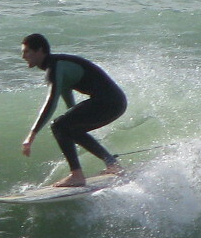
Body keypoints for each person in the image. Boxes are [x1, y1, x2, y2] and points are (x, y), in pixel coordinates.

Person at [20, 33, 127, 188]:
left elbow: (51, 102)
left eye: (26, 51)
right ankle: (113, 165)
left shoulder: (55, 67)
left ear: (40, 51)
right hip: (115, 102)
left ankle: (76, 175)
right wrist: (72, 123)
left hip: (109, 102)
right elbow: (67, 95)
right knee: (70, 128)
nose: (23, 56)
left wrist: (31, 136)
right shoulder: (58, 65)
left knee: (58, 125)